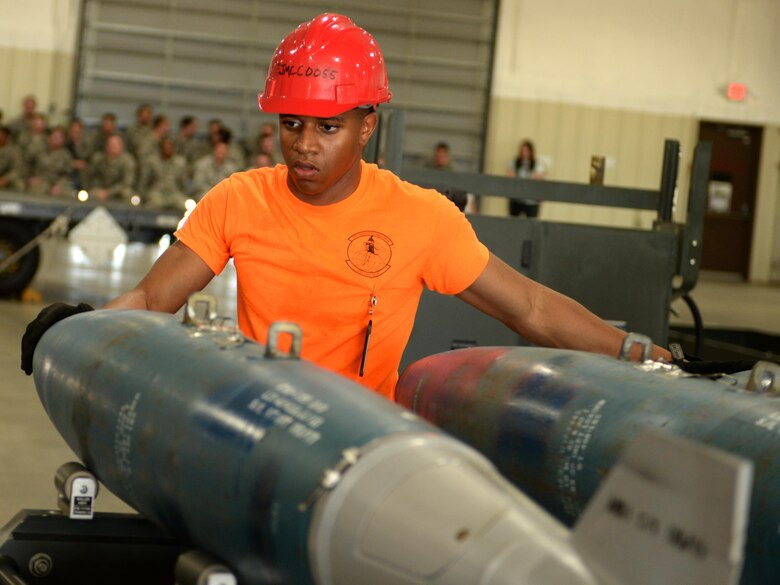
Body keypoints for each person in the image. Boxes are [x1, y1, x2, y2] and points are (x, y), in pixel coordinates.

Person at [20, 13, 672, 399]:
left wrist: (634, 351)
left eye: (328, 128)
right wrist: (80, 330)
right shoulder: (239, 199)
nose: (305, 146)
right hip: (257, 416)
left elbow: (530, 307)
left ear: (367, 127)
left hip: (360, 438)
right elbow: (151, 300)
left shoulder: (421, 218)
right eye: (292, 124)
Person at [138, 137, 188, 210]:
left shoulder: (180, 163)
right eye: (165, 147)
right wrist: (143, 195)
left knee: (184, 205)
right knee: (154, 204)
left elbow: (183, 184)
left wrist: (184, 194)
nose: (168, 149)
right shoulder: (151, 162)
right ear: (161, 148)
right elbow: (144, 182)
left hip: (174, 193)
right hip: (156, 192)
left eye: (170, 147)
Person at [191, 129, 240, 199]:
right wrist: (214, 193)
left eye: (223, 152)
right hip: (205, 193)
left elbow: (233, 185)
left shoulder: (232, 168)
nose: (220, 154)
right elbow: (198, 184)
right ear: (214, 151)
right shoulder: (202, 164)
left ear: (227, 153)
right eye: (219, 152)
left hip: (224, 195)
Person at [87, 134, 136, 202]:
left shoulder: (128, 161)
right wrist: (100, 190)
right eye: (110, 145)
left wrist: (109, 192)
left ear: (121, 146)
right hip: (102, 189)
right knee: (90, 194)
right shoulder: (99, 159)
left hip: (118, 191)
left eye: (114, 145)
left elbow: (127, 182)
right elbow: (93, 177)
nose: (111, 147)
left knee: (127, 193)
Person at [27, 126, 73, 197]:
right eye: (54, 137)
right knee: (35, 191)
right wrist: (31, 177)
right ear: (49, 137)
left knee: (69, 195)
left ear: (63, 140)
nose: (56, 140)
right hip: (41, 180)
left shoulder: (66, 155)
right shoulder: (39, 150)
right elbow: (28, 164)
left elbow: (66, 174)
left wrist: (59, 185)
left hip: (58, 183)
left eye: (60, 138)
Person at [507, 139, 545, 217]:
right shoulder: (515, 163)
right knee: (512, 222)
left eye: (526, 151)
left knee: (531, 225)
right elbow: (510, 176)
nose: (524, 153)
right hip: (516, 198)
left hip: (531, 201)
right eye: (522, 150)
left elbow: (539, 180)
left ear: (531, 152)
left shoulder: (536, 164)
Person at [0, 126, 24, 191]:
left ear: (7, 137)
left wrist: (5, 179)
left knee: (19, 184)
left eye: (2, 135)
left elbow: (17, 168)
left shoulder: (14, 151)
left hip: (5, 177)